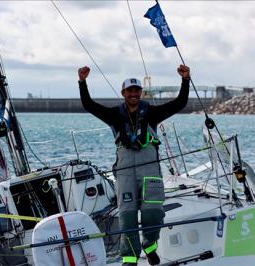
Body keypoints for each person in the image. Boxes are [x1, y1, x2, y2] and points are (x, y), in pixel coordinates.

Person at [77, 65, 190, 265]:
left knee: (153, 211)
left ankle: (150, 245)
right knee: (127, 216)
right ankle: (130, 259)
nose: (134, 94)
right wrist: (82, 81)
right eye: (130, 91)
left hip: (149, 169)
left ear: (141, 92)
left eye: (137, 91)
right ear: (123, 94)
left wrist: (185, 80)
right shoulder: (113, 115)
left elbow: (179, 103)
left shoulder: (153, 113)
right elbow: (89, 105)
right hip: (125, 171)